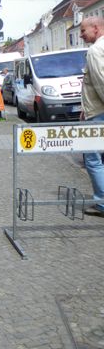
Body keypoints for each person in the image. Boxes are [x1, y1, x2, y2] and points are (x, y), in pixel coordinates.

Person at [79, 16, 104, 217]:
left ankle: (102, 203)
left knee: (93, 159)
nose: (80, 35)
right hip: (94, 110)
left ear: (95, 28)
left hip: (97, 114)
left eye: (83, 30)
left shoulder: (95, 51)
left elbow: (101, 83)